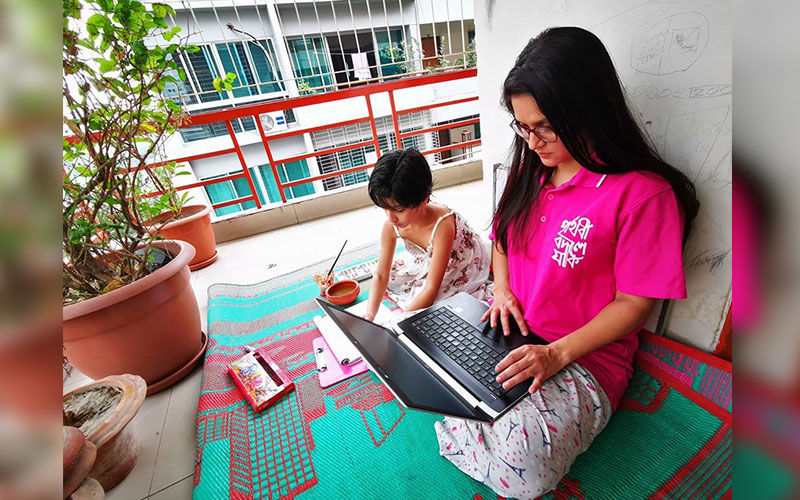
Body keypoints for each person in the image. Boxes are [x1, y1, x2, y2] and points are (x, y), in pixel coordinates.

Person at [434, 27, 700, 499]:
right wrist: (501, 290)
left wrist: (555, 353)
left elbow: (634, 303)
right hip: (514, 333)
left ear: (589, 110)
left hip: (583, 358)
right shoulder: (529, 170)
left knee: (524, 469)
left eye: (544, 127)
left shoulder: (642, 195)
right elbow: (500, 242)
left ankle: (492, 434)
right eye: (522, 126)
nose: (531, 141)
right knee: (437, 367)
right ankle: (488, 424)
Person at [363, 148, 490, 321]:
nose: (390, 217)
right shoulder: (391, 225)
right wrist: (370, 315)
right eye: (385, 208)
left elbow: (431, 288)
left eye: (398, 209)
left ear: (424, 199)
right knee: (393, 278)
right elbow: (380, 275)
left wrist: (400, 320)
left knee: (441, 304)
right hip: (433, 257)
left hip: (460, 262)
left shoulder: (443, 226)